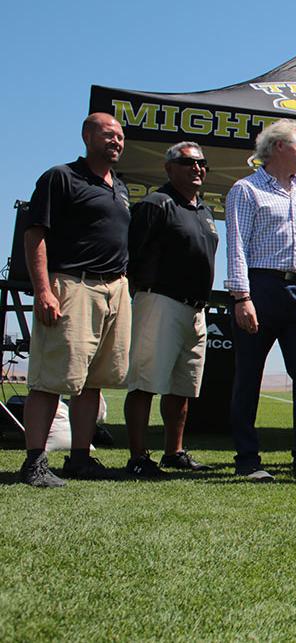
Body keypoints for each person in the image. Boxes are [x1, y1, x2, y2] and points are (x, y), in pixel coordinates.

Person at [18, 113, 132, 487]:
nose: (116, 141)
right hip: (71, 285)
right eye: (108, 134)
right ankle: (34, 462)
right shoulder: (61, 177)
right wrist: (43, 291)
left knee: (93, 381)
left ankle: (79, 459)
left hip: (114, 290)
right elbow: (35, 235)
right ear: (87, 136)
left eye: (120, 136)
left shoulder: (121, 187)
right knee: (52, 379)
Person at [225, 119, 296, 482]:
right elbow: (237, 247)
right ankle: (247, 459)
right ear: (277, 147)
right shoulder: (246, 190)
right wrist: (242, 296)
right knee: (249, 375)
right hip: (260, 288)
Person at [123, 141, 219, 477]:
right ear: (169, 168)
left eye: (201, 164)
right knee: (145, 381)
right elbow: (130, 255)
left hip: (196, 309)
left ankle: (173, 452)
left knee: (183, 386)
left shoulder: (204, 212)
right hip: (160, 301)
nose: (197, 169)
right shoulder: (155, 204)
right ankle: (137, 456)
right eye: (188, 162)